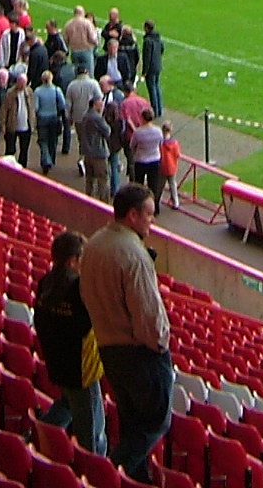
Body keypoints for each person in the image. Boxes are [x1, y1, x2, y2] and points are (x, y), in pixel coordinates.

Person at [80, 185, 171, 485]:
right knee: (157, 421)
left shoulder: (93, 244)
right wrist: (159, 346)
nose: (152, 221)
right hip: (140, 354)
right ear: (132, 215)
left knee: (133, 422)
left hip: (110, 351)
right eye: (149, 215)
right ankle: (106, 474)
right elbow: (148, 315)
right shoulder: (133, 254)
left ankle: (135, 479)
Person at [33, 231, 107, 455]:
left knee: (67, 404)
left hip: (58, 364)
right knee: (92, 433)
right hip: (82, 372)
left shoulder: (46, 283)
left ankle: (38, 436)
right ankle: (93, 473)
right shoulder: (81, 289)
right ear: (72, 261)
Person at [33, 70, 68, 174]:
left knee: (43, 141)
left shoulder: (38, 91)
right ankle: (51, 160)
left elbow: (36, 107)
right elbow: (62, 104)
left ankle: (45, 159)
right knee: (53, 140)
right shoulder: (57, 90)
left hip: (42, 118)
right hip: (54, 118)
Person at [139, 21, 165, 116]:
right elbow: (162, 48)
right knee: (157, 87)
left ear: (146, 28)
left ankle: (155, 110)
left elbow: (147, 57)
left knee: (152, 89)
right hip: (158, 65)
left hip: (151, 68)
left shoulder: (147, 41)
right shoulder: (157, 37)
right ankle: (159, 109)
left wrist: (144, 72)